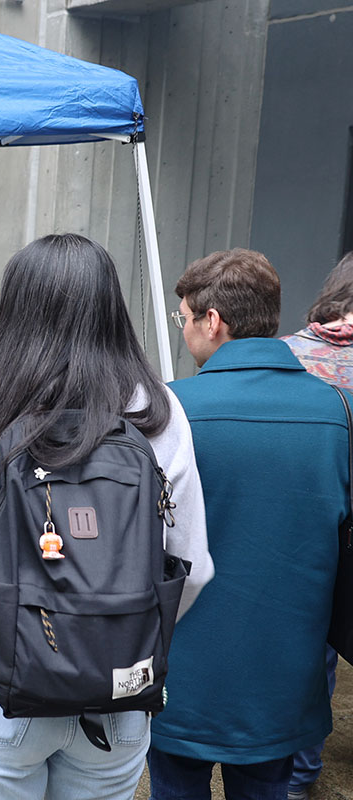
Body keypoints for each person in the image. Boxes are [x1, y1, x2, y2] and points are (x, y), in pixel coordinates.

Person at [0, 233, 213, 799]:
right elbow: (189, 565)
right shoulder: (157, 412)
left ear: (16, 310)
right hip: (119, 688)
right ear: (110, 308)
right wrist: (121, 629)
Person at [148, 248, 351, 800]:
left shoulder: (167, 411)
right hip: (285, 675)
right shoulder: (339, 411)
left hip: (180, 672)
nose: (185, 329)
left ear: (213, 321)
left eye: (184, 316)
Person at [281, 251, 353, 800]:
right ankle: (300, 773)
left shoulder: (283, 354)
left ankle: (292, 767)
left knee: (303, 648)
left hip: (291, 524)